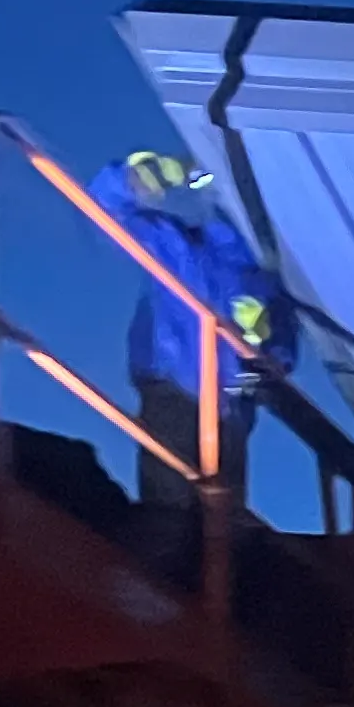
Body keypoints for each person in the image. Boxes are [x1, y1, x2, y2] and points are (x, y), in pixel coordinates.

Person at [84, 150, 297, 517]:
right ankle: (170, 565)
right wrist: (141, 177)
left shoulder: (267, 282)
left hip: (229, 408)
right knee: (170, 512)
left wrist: (261, 347)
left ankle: (207, 566)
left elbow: (281, 356)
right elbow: (103, 212)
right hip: (173, 390)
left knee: (220, 523)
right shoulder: (181, 246)